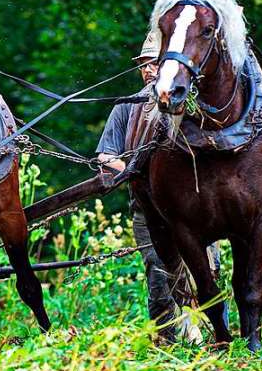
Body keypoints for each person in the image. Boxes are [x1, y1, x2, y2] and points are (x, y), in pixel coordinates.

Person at [96, 33, 224, 343]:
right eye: (144, 64)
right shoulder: (127, 107)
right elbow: (104, 155)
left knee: (210, 269)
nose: (149, 69)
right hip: (148, 210)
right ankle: (165, 341)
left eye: (155, 62)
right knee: (158, 272)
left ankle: (211, 334)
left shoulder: (193, 109)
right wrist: (132, 171)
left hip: (194, 211)